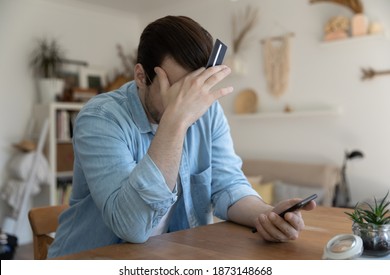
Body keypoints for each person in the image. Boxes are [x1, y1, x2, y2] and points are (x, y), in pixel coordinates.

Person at [48, 15, 315, 258]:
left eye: (197, 87)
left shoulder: (207, 112)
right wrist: (175, 122)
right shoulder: (100, 119)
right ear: (141, 76)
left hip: (173, 256)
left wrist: (267, 215)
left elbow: (227, 185)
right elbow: (133, 227)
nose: (191, 102)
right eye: (180, 90)